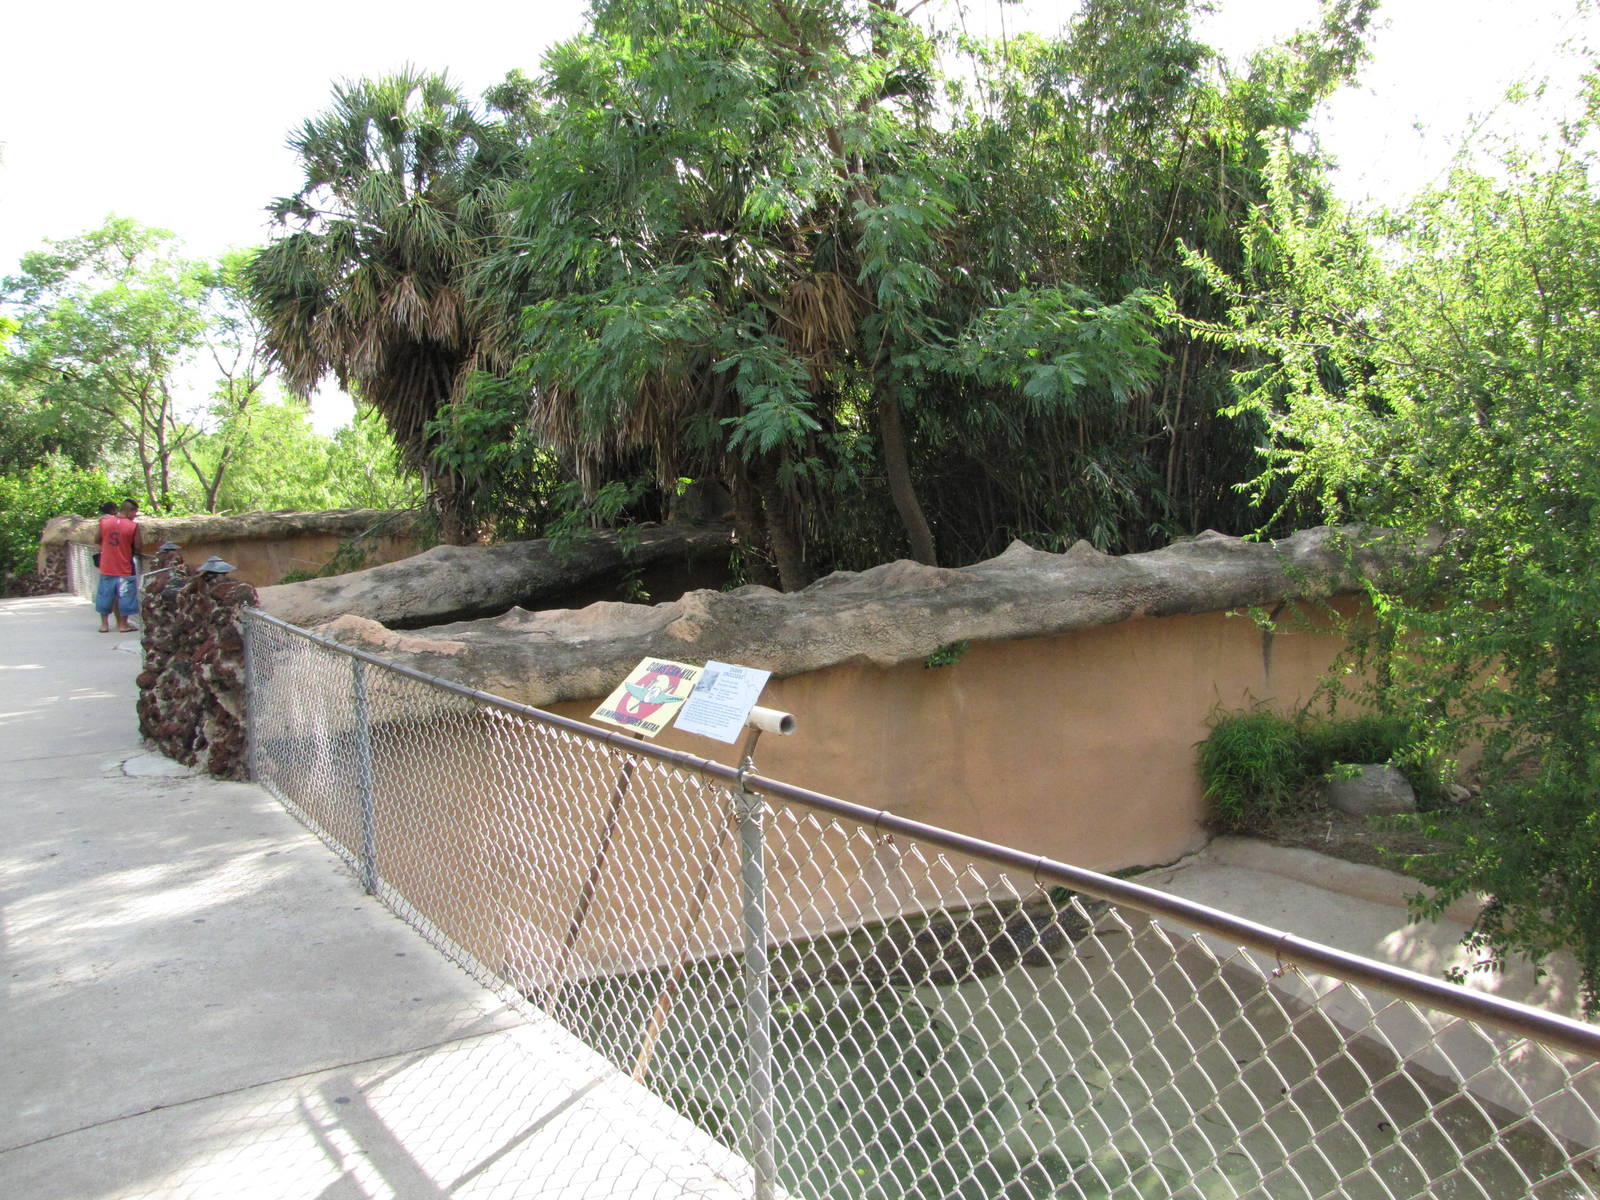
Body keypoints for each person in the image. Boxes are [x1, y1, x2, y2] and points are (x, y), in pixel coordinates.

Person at [95, 498, 142, 633]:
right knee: (126, 596)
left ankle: (104, 625)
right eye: (134, 513)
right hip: (124, 567)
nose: (135, 516)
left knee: (105, 594)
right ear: (128, 511)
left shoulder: (104, 522)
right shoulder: (133, 526)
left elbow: (96, 539)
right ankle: (123, 625)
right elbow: (138, 547)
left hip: (106, 565)